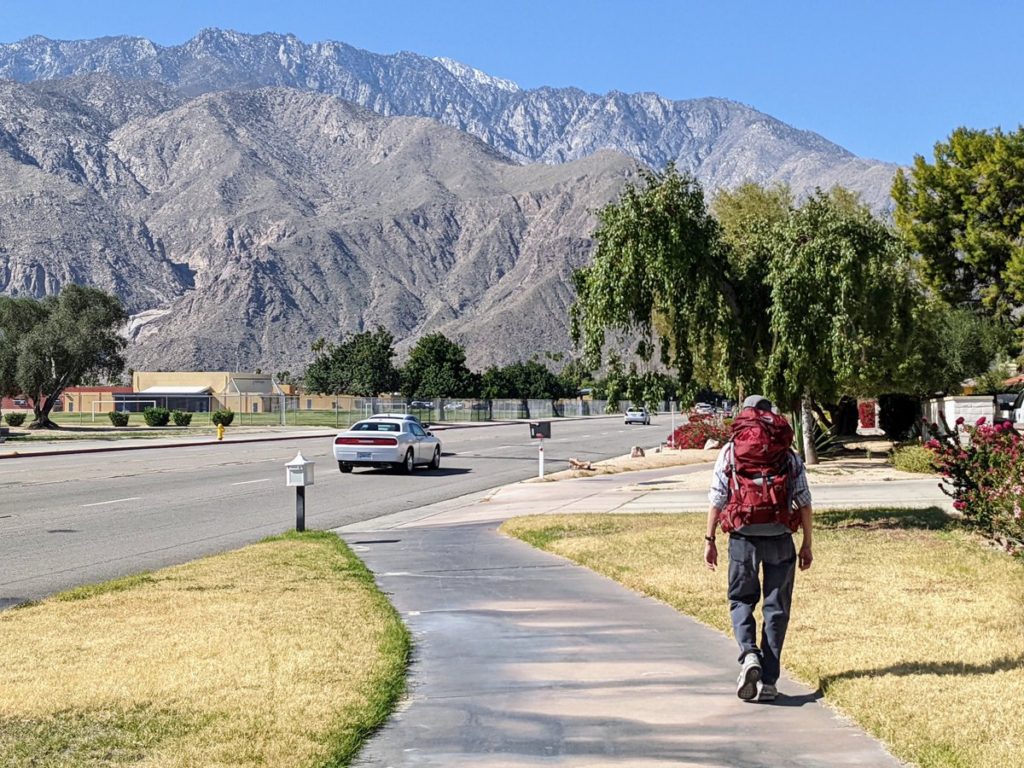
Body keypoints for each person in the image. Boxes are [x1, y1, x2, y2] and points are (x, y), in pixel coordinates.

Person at [703, 394, 813, 702]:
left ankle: (749, 655)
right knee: (777, 608)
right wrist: (806, 544)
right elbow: (804, 501)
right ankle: (769, 681)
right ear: (772, 416)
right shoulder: (787, 453)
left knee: (741, 600)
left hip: (742, 537)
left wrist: (709, 540)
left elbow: (717, 497)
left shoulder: (731, 451)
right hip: (780, 537)